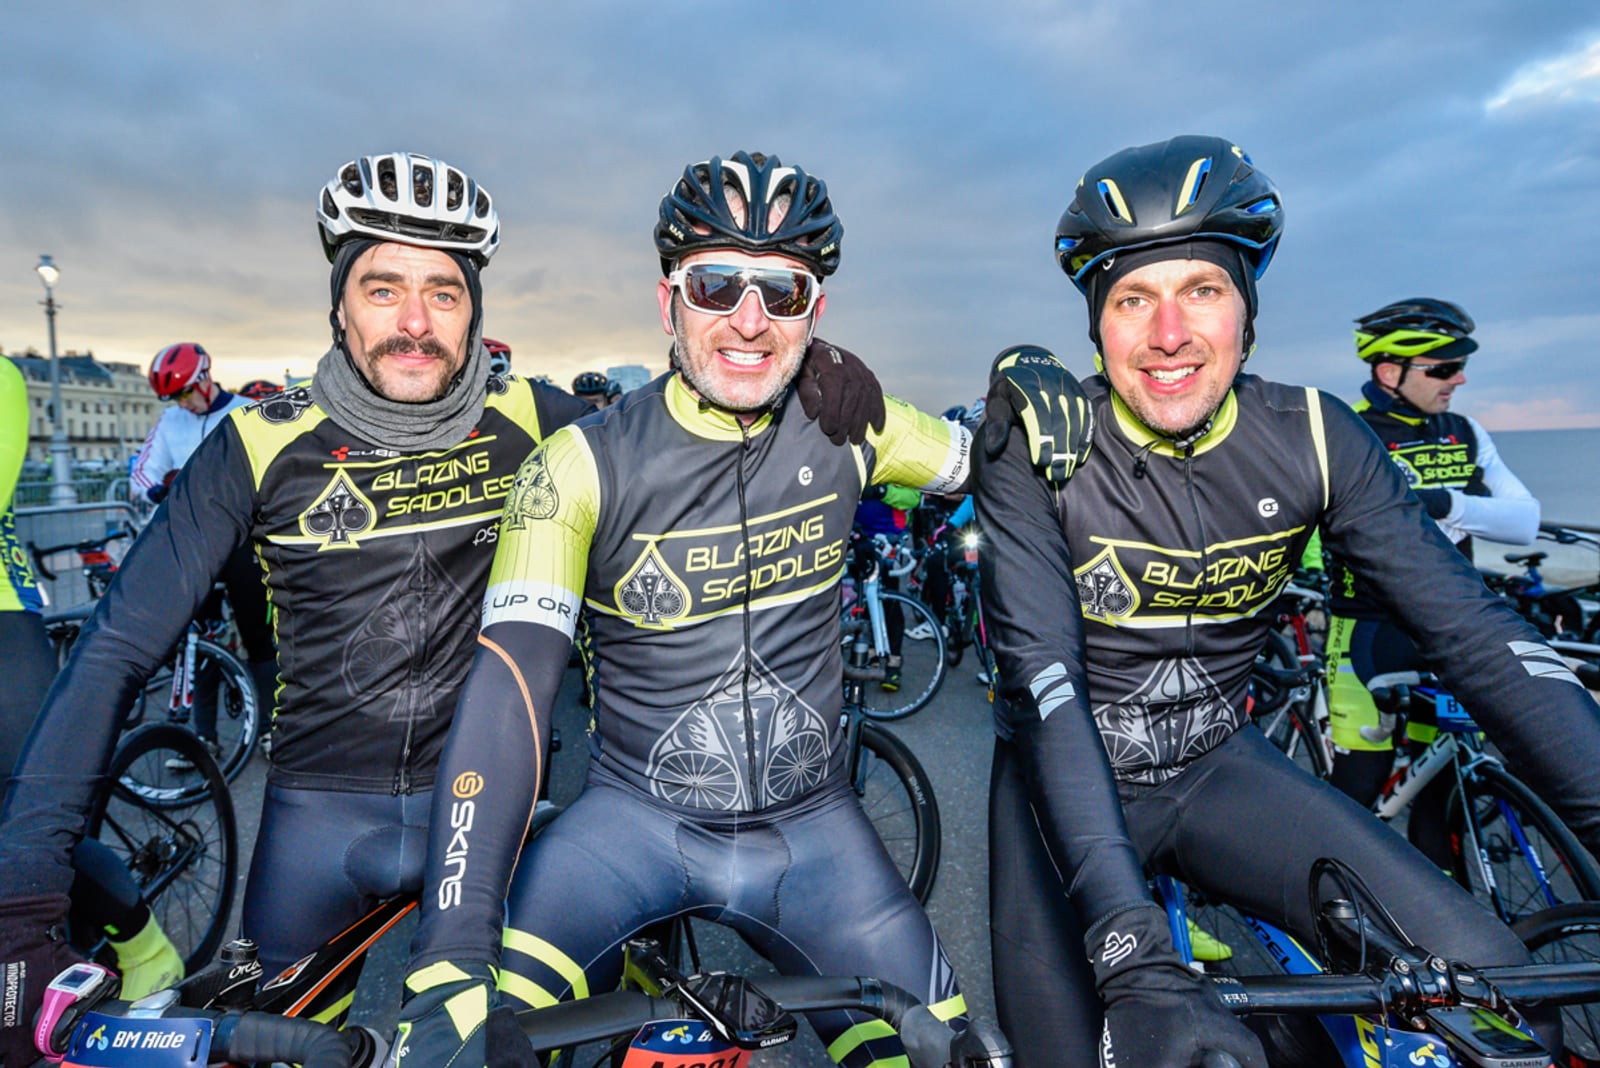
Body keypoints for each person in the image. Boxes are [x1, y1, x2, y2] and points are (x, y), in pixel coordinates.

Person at [0, 150, 887, 1059]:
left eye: (445, 293)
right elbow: (112, 654)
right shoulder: (258, 445)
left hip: (503, 821)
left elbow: (691, 422)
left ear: (475, 308)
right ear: (339, 302)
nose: (416, 323)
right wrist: (23, 897)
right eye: (384, 289)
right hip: (317, 824)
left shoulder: (541, 422)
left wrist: (813, 377)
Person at [390, 150, 1082, 1068]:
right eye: (717, 285)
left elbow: (998, 460)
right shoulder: (580, 464)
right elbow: (508, 688)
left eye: (783, 293)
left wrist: (1023, 374)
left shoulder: (856, 423)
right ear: (668, 299)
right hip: (627, 830)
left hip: (818, 839)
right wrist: (452, 956)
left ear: (816, 313)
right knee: (460, 1052)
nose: (749, 321)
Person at [975, 134, 1600, 1067]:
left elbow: (1471, 631)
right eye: (1133, 299)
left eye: (1204, 290)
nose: (1170, 333)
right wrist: (1131, 956)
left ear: (1247, 311)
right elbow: (1043, 681)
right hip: (1060, 783)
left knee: (1500, 998)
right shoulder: (1042, 445)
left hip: (1222, 767)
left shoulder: (1315, 436)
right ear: (1098, 327)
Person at [1326, 299, 1541, 865]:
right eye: (1442, 369)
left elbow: (1525, 520)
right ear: (1388, 372)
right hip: (1369, 632)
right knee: (1358, 785)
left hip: (1447, 630)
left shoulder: (1463, 431)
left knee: (1439, 794)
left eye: (1459, 366)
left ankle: (1455, 931)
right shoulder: (1347, 431)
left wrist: (1445, 502)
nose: (1459, 378)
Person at [129, 342, 276, 768]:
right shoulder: (170, 421)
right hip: (196, 545)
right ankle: (202, 738)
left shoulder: (248, 412)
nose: (182, 404)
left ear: (204, 380)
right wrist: (157, 490)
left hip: (246, 542)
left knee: (260, 640)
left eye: (184, 394)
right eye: (173, 398)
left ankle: (270, 729)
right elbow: (143, 469)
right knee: (201, 640)